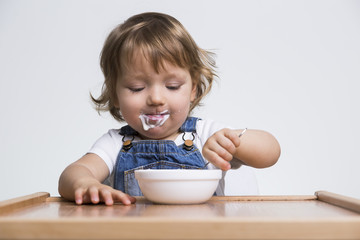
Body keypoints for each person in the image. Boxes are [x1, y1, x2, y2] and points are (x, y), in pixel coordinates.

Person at [58, 12, 281, 206]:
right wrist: (84, 184)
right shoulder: (115, 144)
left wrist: (234, 142)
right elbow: (72, 174)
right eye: (137, 88)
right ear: (115, 95)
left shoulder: (204, 134)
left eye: (172, 86)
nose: (156, 99)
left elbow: (271, 152)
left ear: (193, 89)